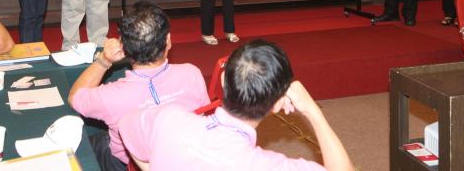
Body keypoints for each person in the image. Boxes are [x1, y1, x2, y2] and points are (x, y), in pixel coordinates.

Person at [118, 39, 354, 171]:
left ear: (223, 80)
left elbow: (125, 124)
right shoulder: (270, 166)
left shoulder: (168, 119)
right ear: (277, 104)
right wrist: (313, 112)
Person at [69, 1, 208, 171]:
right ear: (168, 41)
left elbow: (74, 97)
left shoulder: (110, 96)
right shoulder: (192, 73)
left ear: (123, 47)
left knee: (84, 146)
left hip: (128, 164)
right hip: (185, 157)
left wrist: (104, 60)